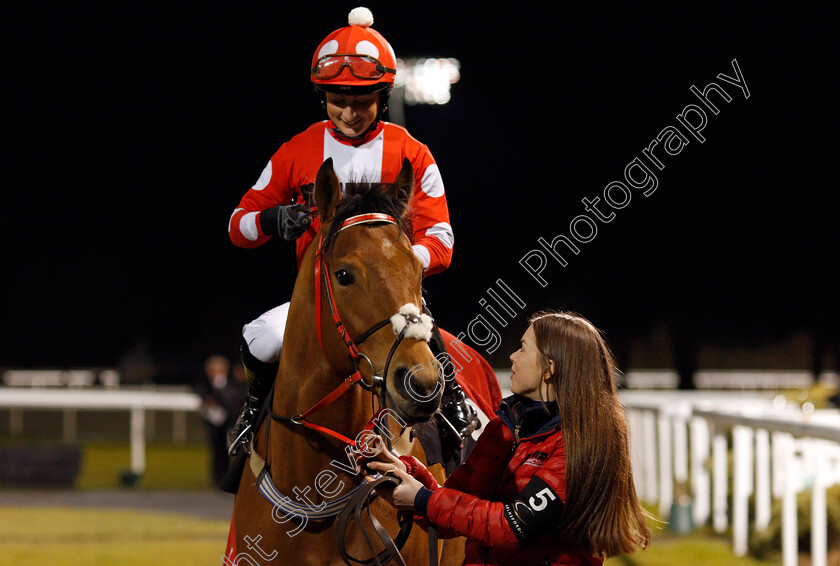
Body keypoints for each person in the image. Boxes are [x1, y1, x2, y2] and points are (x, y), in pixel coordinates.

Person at [226, 7, 477, 457]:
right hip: (322, 302)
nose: (348, 111)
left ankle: (456, 413)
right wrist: (272, 220)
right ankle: (253, 414)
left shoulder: (412, 153)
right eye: (336, 98)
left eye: (361, 100)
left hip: (394, 304)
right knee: (257, 339)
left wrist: (396, 268)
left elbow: (442, 237)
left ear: (382, 96)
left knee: (427, 347)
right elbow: (238, 225)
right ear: (321, 97)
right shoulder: (298, 150)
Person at [365, 311, 651, 565]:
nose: (512, 356)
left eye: (523, 349)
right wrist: (407, 475)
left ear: (549, 369)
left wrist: (424, 499)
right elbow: (453, 507)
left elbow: (511, 527)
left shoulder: (578, 445)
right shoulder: (500, 429)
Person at [195, 355, 247, 486]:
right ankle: (218, 480)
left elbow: (235, 401)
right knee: (217, 453)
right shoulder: (204, 384)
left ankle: (235, 480)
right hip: (215, 426)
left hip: (232, 423)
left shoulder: (234, 383)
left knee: (236, 452)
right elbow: (199, 393)